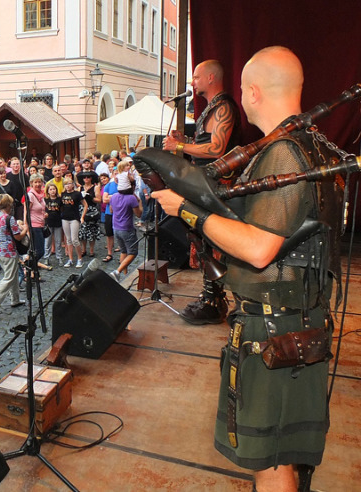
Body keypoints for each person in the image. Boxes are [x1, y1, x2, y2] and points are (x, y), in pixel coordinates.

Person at [153, 46, 338, 492]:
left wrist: (187, 211)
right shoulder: (310, 144)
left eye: (242, 89)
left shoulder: (284, 154)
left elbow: (259, 249)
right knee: (283, 456)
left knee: (271, 462)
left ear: (253, 92)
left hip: (275, 330)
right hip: (295, 321)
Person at [162, 59, 241, 326]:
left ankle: (216, 301)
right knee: (205, 242)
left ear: (210, 78)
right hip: (206, 186)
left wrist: (180, 147)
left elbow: (218, 149)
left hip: (219, 189)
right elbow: (206, 145)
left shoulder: (224, 108)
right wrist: (185, 142)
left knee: (216, 244)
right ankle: (211, 298)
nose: (192, 83)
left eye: (195, 78)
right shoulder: (212, 108)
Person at [0, 194, 28, 316]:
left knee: (12, 274)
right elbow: (18, 236)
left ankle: (15, 299)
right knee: (9, 277)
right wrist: (26, 229)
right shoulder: (10, 218)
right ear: (9, 205)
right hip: (9, 251)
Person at [108, 178, 142, 282]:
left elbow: (111, 210)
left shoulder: (113, 196)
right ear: (132, 187)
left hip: (116, 228)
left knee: (123, 251)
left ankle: (123, 277)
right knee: (133, 252)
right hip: (127, 229)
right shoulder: (131, 198)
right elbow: (139, 214)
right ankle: (117, 272)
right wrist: (139, 202)